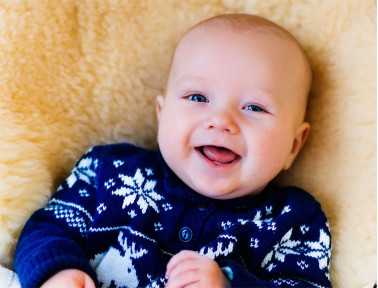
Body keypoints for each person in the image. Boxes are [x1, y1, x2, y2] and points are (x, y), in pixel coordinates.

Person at [14, 13, 332, 288]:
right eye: (197, 98)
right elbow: (48, 228)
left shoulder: (293, 221)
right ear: (162, 114)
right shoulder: (108, 170)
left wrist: (229, 283)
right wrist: (58, 272)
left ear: (294, 145)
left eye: (254, 107)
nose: (221, 121)